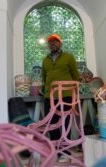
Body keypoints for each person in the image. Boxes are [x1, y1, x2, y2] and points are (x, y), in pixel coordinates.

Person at [41, 33, 80, 162]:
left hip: (66, 95)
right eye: (50, 42)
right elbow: (44, 78)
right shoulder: (45, 60)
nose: (52, 44)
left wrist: (73, 92)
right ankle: (55, 151)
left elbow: (76, 76)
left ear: (60, 43)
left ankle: (64, 151)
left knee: (65, 123)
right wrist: (45, 91)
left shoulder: (69, 57)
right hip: (49, 96)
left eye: (55, 41)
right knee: (51, 123)